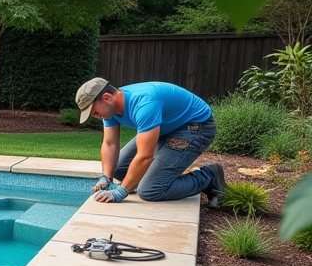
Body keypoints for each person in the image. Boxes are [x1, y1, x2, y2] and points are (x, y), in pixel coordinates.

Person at [76, 77, 226, 206]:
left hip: (194, 127)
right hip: (163, 128)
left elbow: (145, 156)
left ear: (107, 98)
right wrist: (105, 178)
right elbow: (110, 144)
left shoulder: (143, 103)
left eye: (93, 111)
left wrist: (122, 191)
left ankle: (209, 176)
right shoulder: (110, 109)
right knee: (118, 169)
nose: (94, 115)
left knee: (150, 190)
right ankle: (157, 176)